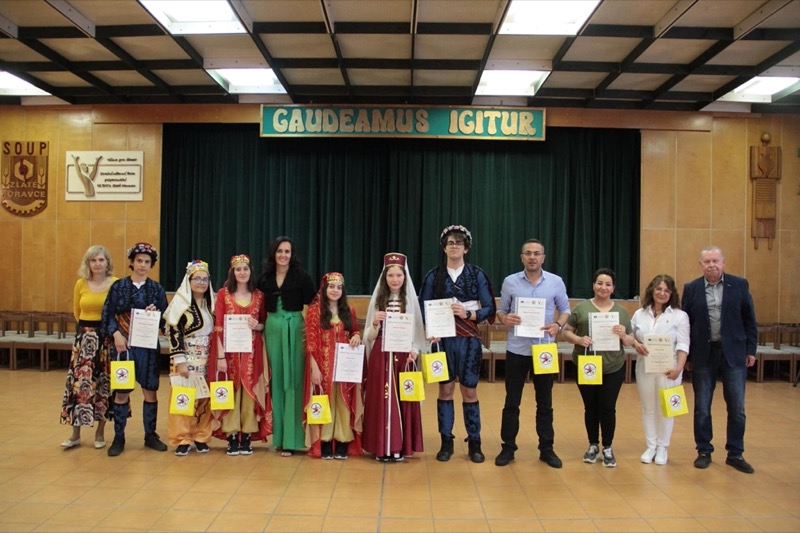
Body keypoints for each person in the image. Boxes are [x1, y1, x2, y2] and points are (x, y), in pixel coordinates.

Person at [419, 225, 496, 463]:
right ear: (444, 247)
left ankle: (475, 441)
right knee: (445, 389)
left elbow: (489, 308)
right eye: (450, 243)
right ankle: (446, 441)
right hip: (443, 341)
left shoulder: (477, 274)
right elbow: (423, 307)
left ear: (466, 248)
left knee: (469, 390)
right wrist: (430, 330)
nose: (454, 246)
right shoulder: (433, 275)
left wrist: (468, 314)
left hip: (469, 339)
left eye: (459, 243)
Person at [494, 239, 570, 468]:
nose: (532, 257)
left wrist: (557, 325)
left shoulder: (555, 282)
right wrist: (505, 319)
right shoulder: (510, 282)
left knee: (545, 402)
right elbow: (501, 311)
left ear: (543, 258)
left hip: (544, 349)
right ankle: (508, 448)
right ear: (522, 257)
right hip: (517, 349)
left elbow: (565, 310)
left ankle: (547, 449)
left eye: (537, 253)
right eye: (528, 253)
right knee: (511, 402)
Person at [682, 246, 757, 474]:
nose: (711, 265)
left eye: (715, 260)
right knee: (702, 407)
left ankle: (735, 453)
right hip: (703, 354)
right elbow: (687, 324)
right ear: (700, 265)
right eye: (707, 261)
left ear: (723, 262)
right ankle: (704, 450)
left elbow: (749, 320)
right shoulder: (691, 288)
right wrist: (687, 356)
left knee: (737, 408)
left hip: (734, 353)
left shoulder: (740, 285)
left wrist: (751, 350)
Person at [101, 242, 169, 457]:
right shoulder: (118, 286)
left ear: (151, 265)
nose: (142, 265)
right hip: (123, 347)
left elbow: (164, 321)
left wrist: (154, 313)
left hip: (147, 348)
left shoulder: (156, 289)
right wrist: (116, 334)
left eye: (147, 262)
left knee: (150, 391)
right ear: (132, 262)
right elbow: (107, 314)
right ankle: (118, 437)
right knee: (122, 392)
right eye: (139, 261)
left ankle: (150, 435)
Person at [562, 268, 633, 468]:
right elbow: (566, 332)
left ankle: (607, 447)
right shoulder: (581, 308)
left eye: (608, 284)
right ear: (594, 285)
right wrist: (579, 339)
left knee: (608, 407)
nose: (603, 287)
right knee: (591, 407)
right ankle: (593, 444)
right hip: (587, 366)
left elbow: (630, 340)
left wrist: (623, 335)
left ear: (613, 288)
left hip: (613, 366)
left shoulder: (621, 312)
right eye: (600, 283)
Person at [362, 252, 427, 462]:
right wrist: (375, 323)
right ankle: (381, 446)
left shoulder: (410, 301)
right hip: (381, 355)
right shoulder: (378, 300)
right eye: (391, 275)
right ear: (385, 277)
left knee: (402, 398)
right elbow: (369, 337)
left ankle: (399, 446)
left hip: (403, 356)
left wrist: (414, 350)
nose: (395, 279)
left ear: (404, 277)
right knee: (381, 400)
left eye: (399, 275)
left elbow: (417, 333)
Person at [257, 236, 315, 457]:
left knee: (295, 380)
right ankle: (280, 438)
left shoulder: (302, 277)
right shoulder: (264, 278)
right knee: (277, 380)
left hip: (295, 328)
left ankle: (293, 439)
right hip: (272, 329)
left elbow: (314, 305)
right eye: (279, 251)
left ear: (292, 254)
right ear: (274, 254)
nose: (283, 255)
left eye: (287, 251)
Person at [208, 254, 271, 456]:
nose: (242, 272)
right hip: (229, 352)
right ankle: (232, 434)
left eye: (245, 268)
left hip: (252, 352)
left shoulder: (259, 296)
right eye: (238, 269)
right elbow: (218, 327)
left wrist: (257, 325)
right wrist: (220, 357)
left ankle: (247, 434)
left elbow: (263, 323)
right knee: (231, 391)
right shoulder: (223, 294)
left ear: (251, 271)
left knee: (250, 391)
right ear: (232, 272)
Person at [60, 245, 117, 449]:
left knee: (103, 385)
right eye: (93, 260)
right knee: (80, 385)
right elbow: (77, 311)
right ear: (88, 263)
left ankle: (100, 433)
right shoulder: (81, 284)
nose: (97, 264)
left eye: (101, 260)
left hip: (106, 340)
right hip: (84, 340)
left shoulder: (115, 283)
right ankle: (75, 434)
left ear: (107, 262)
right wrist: (87, 333)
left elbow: (118, 311)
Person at [303, 272, 363, 459]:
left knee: (344, 401)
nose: (335, 290)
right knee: (326, 400)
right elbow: (310, 342)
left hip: (345, 366)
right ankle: (326, 440)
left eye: (339, 287)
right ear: (324, 289)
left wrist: (356, 336)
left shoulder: (349, 310)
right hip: (323, 364)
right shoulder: (314, 311)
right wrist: (314, 367)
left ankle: (343, 439)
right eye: (331, 287)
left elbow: (355, 330)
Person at [631, 274, 690, 465]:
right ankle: (651, 445)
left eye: (666, 290)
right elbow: (632, 337)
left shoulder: (679, 316)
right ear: (652, 290)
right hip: (645, 368)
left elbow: (683, 344)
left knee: (666, 409)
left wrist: (679, 368)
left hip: (669, 370)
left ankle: (663, 447)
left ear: (672, 294)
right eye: (659, 289)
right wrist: (636, 345)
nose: (662, 293)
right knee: (648, 408)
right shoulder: (639, 314)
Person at [163, 260, 216, 456]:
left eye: (205, 279)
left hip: (207, 358)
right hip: (186, 357)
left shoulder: (211, 304)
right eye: (197, 279)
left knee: (204, 398)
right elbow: (174, 333)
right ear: (189, 280)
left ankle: (201, 436)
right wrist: (180, 361)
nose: (201, 283)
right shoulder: (180, 304)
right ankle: (182, 438)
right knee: (184, 397)